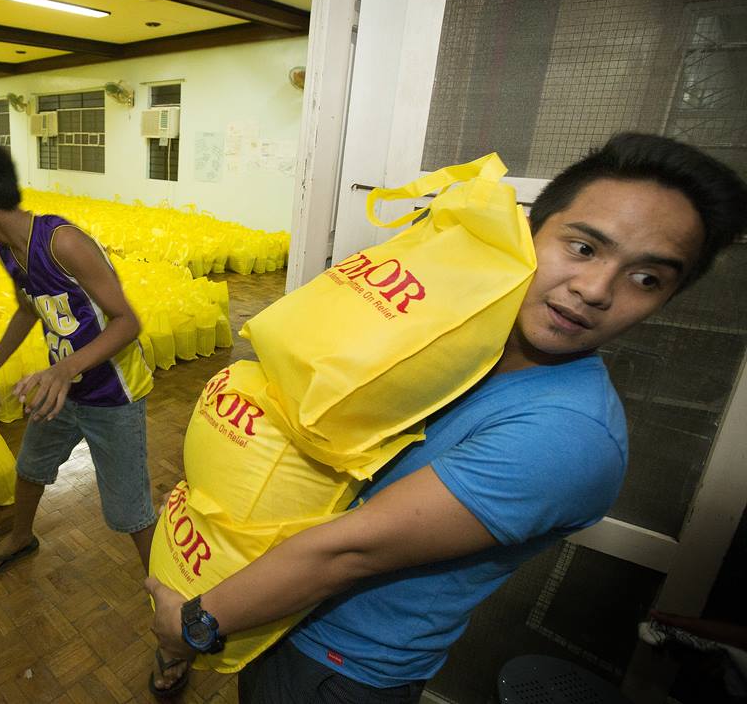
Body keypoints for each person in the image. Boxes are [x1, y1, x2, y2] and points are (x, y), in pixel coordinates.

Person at [145, 132, 747, 701]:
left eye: (646, 278)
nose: (595, 288)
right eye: (583, 247)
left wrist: (195, 627)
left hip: (335, 667)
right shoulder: (447, 336)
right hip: (273, 613)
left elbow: (348, 553)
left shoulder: (566, 435)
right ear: (528, 233)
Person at [0, 133, 158, 582]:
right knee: (30, 467)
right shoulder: (10, 252)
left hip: (113, 397)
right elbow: (29, 309)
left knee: (131, 510)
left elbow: (127, 322)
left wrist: (65, 369)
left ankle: (170, 597)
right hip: (58, 390)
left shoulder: (63, 243)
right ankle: (21, 536)